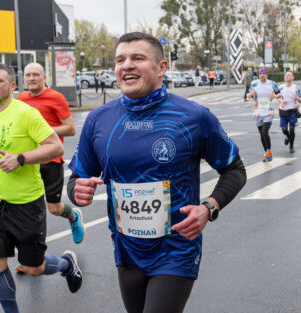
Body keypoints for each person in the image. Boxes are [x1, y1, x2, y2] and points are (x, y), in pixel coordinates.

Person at [67, 32, 246, 313]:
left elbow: (235, 170)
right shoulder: (99, 120)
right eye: (120, 60)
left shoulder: (194, 117)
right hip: (127, 250)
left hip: (177, 248)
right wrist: (77, 190)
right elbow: (77, 178)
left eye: (138, 58)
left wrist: (208, 208)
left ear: (162, 67)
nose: (127, 65)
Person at [0, 63, 83, 313]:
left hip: (26, 202)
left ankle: (66, 264)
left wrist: (21, 158)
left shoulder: (26, 113)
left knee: (33, 268)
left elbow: (56, 147)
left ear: (12, 86)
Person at [18, 62, 85, 246]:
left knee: (54, 208)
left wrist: (44, 131)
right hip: (29, 160)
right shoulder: (21, 99)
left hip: (51, 160)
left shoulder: (56, 97)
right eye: (28, 75)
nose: (31, 78)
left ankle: (73, 216)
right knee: (30, 208)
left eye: (35, 75)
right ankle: (33, 254)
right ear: (23, 78)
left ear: (44, 78)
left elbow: (70, 129)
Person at [247, 67, 280, 162]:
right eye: (261, 73)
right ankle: (266, 152)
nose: (262, 75)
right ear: (258, 74)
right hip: (258, 112)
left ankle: (269, 152)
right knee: (261, 134)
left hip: (268, 111)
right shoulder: (254, 84)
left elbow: (279, 94)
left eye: (264, 73)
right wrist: (250, 94)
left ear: (267, 74)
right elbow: (248, 95)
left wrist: (275, 96)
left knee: (265, 132)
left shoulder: (272, 83)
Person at [277, 71, 301, 153]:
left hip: (292, 112)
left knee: (292, 130)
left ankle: (291, 146)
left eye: (289, 75)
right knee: (284, 129)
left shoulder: (296, 88)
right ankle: (288, 137)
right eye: (286, 75)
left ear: (293, 77)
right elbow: (277, 96)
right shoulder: (280, 87)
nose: (287, 76)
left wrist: (297, 98)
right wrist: (281, 100)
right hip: (283, 110)